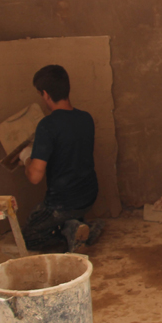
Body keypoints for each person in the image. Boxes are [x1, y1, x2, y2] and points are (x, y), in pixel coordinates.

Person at [19, 64, 103, 253]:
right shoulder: (86, 119)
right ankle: (80, 225)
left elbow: (35, 177)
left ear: (45, 94)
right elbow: (69, 149)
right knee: (66, 215)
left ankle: (72, 231)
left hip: (62, 202)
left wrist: (26, 157)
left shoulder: (47, 126)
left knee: (29, 237)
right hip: (89, 196)